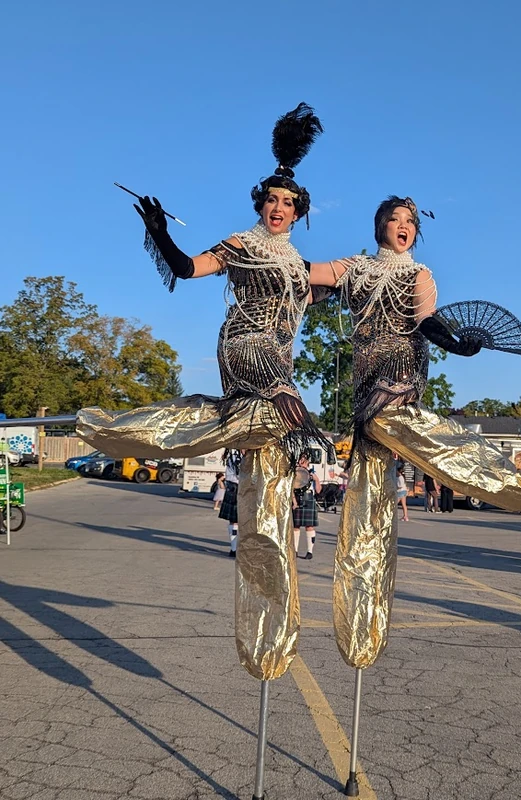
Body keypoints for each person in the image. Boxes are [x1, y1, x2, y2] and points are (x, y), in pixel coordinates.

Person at [77, 103, 332, 683]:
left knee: (269, 433)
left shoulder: (299, 263)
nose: (278, 208)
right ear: (259, 204)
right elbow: (189, 268)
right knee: (291, 411)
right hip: (245, 344)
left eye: (288, 203)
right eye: (270, 200)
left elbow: (334, 288)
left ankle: (265, 548)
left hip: (279, 351)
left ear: (299, 212)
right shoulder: (242, 244)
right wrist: (158, 230)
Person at [309, 194, 521, 669]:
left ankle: (496, 479)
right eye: (394, 219)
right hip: (363, 380)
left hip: (399, 374)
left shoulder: (418, 275)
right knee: (369, 484)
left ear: (416, 232)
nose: (403, 226)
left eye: (410, 222)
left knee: (392, 425)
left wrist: (458, 346)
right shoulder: (355, 267)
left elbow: (426, 321)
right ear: (378, 225)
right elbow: (305, 274)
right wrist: (259, 248)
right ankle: (361, 622)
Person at [293, 453, 322, 559]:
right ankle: (295, 550)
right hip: (297, 498)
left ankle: (310, 552)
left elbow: (318, 490)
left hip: (309, 498)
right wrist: (294, 501)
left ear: (308, 462)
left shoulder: (312, 472)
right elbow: (291, 488)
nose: (302, 462)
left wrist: (316, 479)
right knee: (295, 526)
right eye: (300, 460)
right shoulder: (294, 472)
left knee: (309, 526)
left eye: (304, 460)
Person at [219, 450, 243, 557]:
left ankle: (237, 548)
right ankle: (234, 549)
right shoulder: (233, 457)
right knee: (234, 522)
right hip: (235, 488)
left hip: (244, 489)